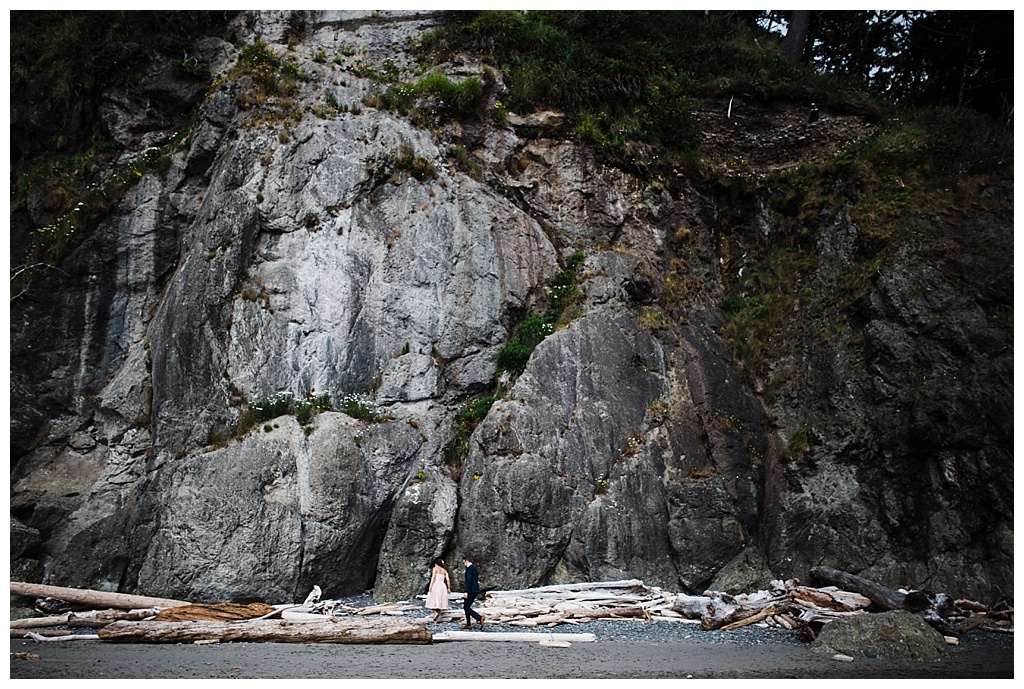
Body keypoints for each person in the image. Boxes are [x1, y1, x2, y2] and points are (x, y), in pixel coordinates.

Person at [461, 556, 484, 630]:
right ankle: (468, 624)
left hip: (471, 590)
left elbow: (469, 581)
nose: (463, 564)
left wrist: (466, 592)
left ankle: (479, 618)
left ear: (466, 561)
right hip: (475, 589)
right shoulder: (474, 568)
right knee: (466, 606)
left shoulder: (469, 569)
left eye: (463, 562)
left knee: (466, 607)